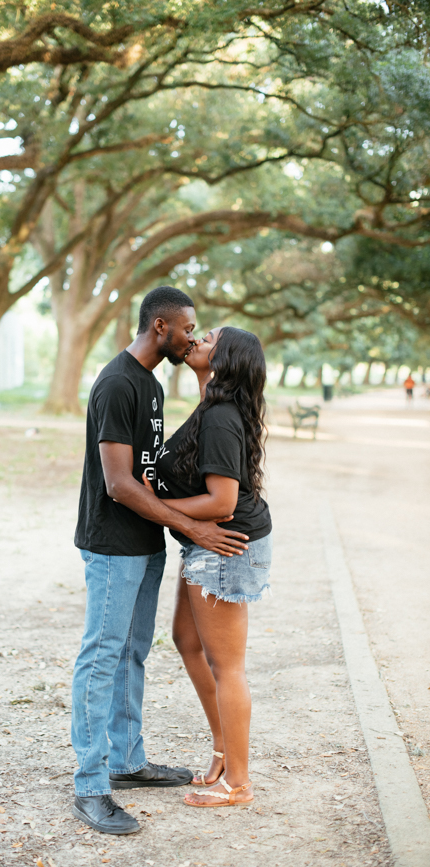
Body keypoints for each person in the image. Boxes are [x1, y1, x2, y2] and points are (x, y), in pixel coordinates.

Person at [71, 287, 249, 835]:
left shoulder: (149, 383)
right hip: (111, 543)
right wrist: (194, 524)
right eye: (187, 328)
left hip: (146, 542)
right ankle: (91, 785)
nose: (193, 336)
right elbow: (120, 485)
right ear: (160, 328)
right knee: (102, 657)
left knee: (132, 653)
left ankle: (127, 762)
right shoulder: (117, 383)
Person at [144, 325, 271, 808]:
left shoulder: (219, 416)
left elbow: (223, 500)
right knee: (187, 640)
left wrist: (159, 506)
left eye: (210, 336)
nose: (197, 338)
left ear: (227, 359)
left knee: (227, 665)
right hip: (207, 543)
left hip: (223, 545)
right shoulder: (213, 405)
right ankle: (223, 749)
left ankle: (237, 782)